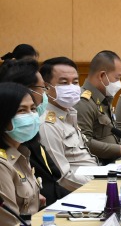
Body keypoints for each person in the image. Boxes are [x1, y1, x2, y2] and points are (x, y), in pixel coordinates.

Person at [0, 59, 70, 205]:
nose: (45, 94)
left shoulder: (24, 148)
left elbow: (51, 182)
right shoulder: (6, 159)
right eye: (42, 88)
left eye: (32, 109)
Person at [38, 57, 99, 191]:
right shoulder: (47, 124)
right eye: (64, 83)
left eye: (75, 82)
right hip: (80, 192)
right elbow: (63, 177)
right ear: (46, 87)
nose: (71, 87)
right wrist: (100, 187)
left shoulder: (69, 114)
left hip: (94, 178)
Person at [74, 51, 121, 164]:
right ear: (102, 75)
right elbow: (85, 142)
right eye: (117, 78)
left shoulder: (103, 99)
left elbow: (114, 136)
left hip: (116, 160)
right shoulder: (83, 102)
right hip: (101, 165)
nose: (119, 83)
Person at [0, 82, 43, 226]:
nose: (31, 115)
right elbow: (10, 225)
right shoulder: (2, 164)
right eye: (22, 111)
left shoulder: (22, 153)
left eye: (33, 109)